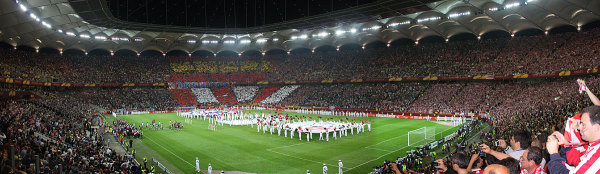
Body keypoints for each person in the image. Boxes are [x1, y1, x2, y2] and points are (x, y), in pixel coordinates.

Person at [547, 105, 600, 173]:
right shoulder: (594, 146)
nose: (579, 128)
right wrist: (566, 144)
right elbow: (579, 159)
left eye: (583, 124)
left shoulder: (597, 155)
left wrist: (554, 154)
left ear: (596, 127)